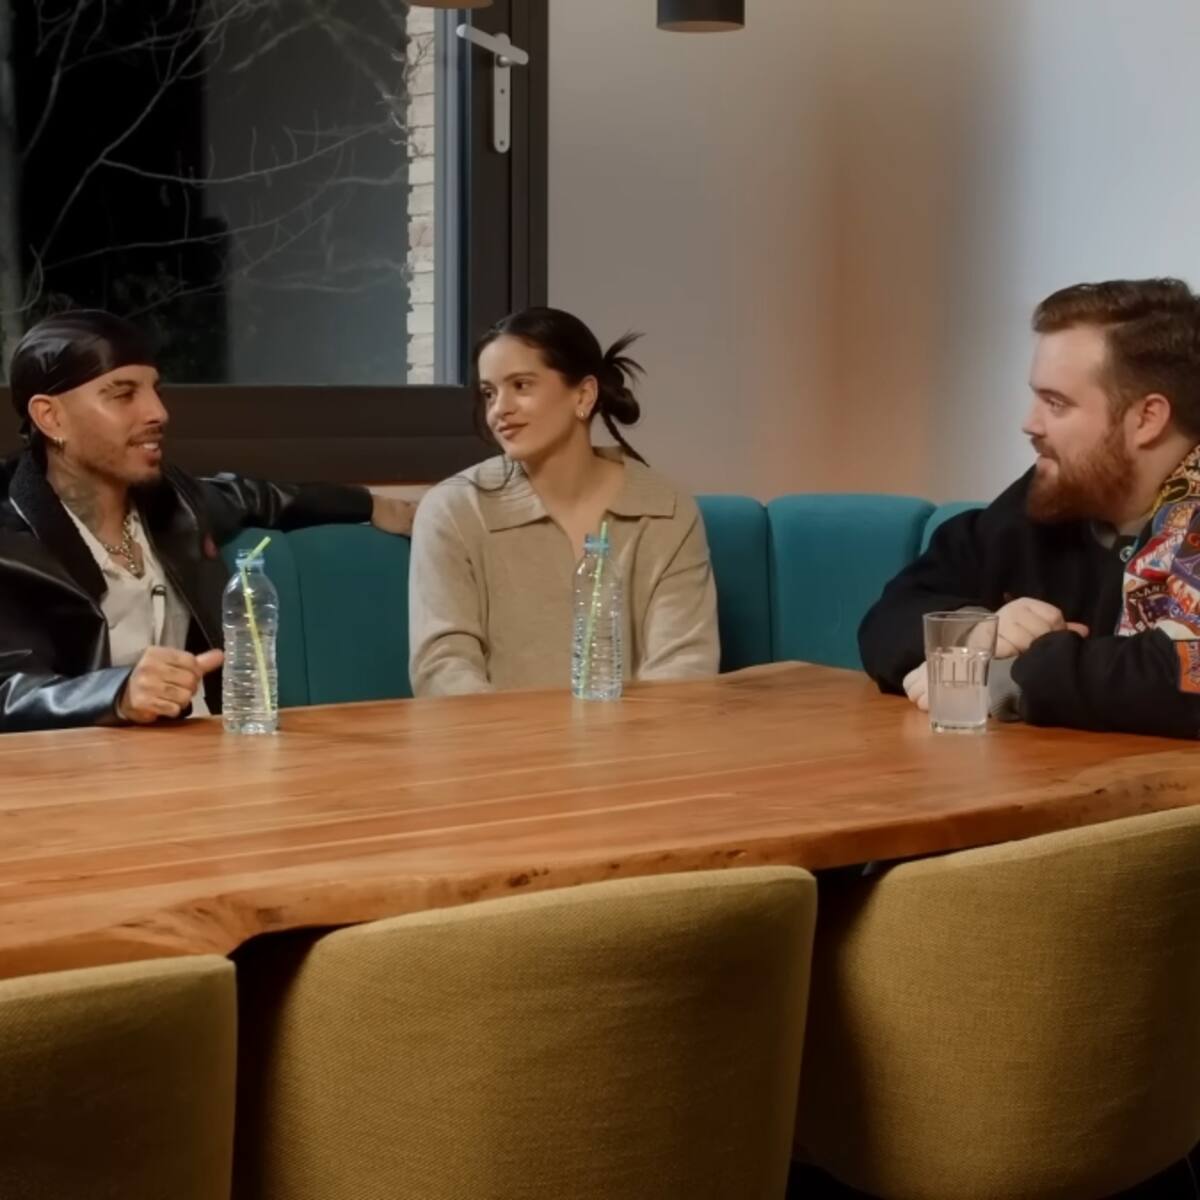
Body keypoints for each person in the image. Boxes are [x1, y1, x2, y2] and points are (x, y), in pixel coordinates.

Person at [1, 309, 415, 732]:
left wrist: (372, 506)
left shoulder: (176, 502)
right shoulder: (11, 541)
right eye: (123, 395)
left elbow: (260, 497)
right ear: (50, 417)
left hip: (205, 746)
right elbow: (8, 692)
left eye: (155, 390)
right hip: (81, 762)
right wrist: (116, 695)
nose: (158, 412)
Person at [860, 277, 1200, 739]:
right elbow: (888, 618)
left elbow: (1184, 675)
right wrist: (980, 633)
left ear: (1147, 418)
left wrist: (1011, 678)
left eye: (1056, 403)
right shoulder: (1054, 492)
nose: (1029, 424)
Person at [408, 306, 719, 696]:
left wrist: (624, 734)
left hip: (646, 735)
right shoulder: (453, 510)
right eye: (489, 393)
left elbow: (686, 666)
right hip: (498, 735)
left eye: (521, 385)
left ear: (584, 394)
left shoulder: (666, 510)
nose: (499, 409)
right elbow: (443, 669)